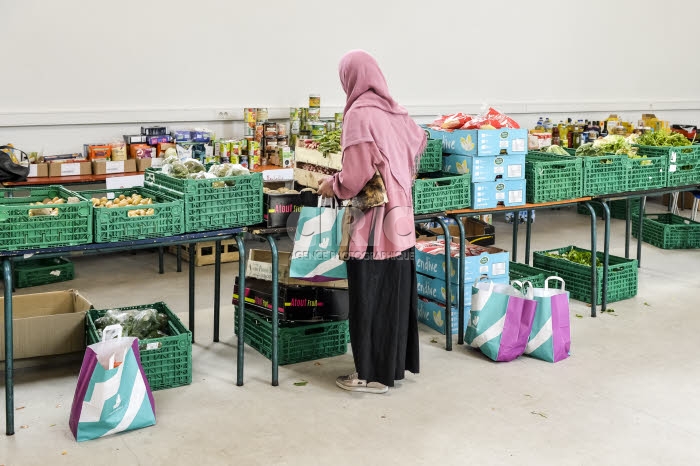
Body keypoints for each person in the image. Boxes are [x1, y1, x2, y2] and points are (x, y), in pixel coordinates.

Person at [317, 50, 427, 394]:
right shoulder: (396, 112)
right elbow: (418, 144)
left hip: (373, 225)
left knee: (369, 295)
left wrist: (331, 184)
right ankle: (392, 367)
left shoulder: (359, 115)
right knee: (393, 294)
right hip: (402, 222)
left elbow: (354, 176)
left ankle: (370, 376)